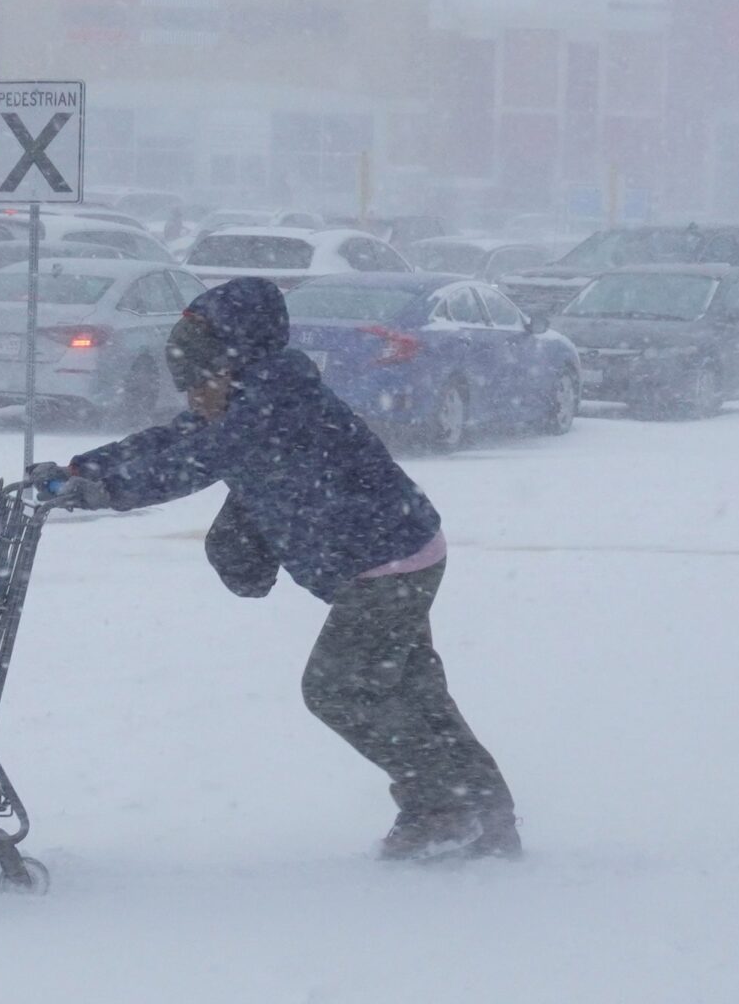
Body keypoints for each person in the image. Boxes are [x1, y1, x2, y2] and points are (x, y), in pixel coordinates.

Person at [31, 276, 519, 862]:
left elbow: (191, 462)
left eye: (200, 380)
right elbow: (169, 439)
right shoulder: (247, 396)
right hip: (394, 554)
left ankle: (446, 807)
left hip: (389, 563)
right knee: (413, 692)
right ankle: (476, 813)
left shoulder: (270, 407)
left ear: (234, 365)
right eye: (186, 384)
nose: (192, 397)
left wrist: (105, 491)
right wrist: (84, 467)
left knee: (337, 689)